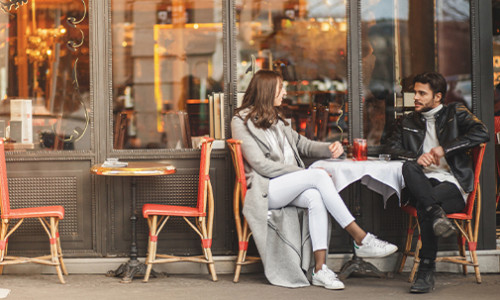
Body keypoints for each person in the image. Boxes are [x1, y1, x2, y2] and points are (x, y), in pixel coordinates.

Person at [231, 70, 397, 290]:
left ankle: (320, 270)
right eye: (281, 88)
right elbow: (261, 165)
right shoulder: (240, 120)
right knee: (317, 176)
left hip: (285, 186)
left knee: (315, 196)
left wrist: (329, 149)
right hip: (264, 190)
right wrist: (302, 174)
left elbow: (303, 144)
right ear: (267, 90)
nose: (285, 92)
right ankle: (361, 237)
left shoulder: (278, 120)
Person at [385, 72, 489, 294]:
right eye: (415, 93)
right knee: (409, 167)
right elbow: (389, 149)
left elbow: (482, 133)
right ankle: (436, 214)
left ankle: (426, 269)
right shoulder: (407, 121)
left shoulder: (455, 113)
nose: (416, 97)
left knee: (425, 206)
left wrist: (446, 148)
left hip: (452, 185)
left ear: (438, 96)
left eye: (422, 93)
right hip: (421, 182)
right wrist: (416, 157)